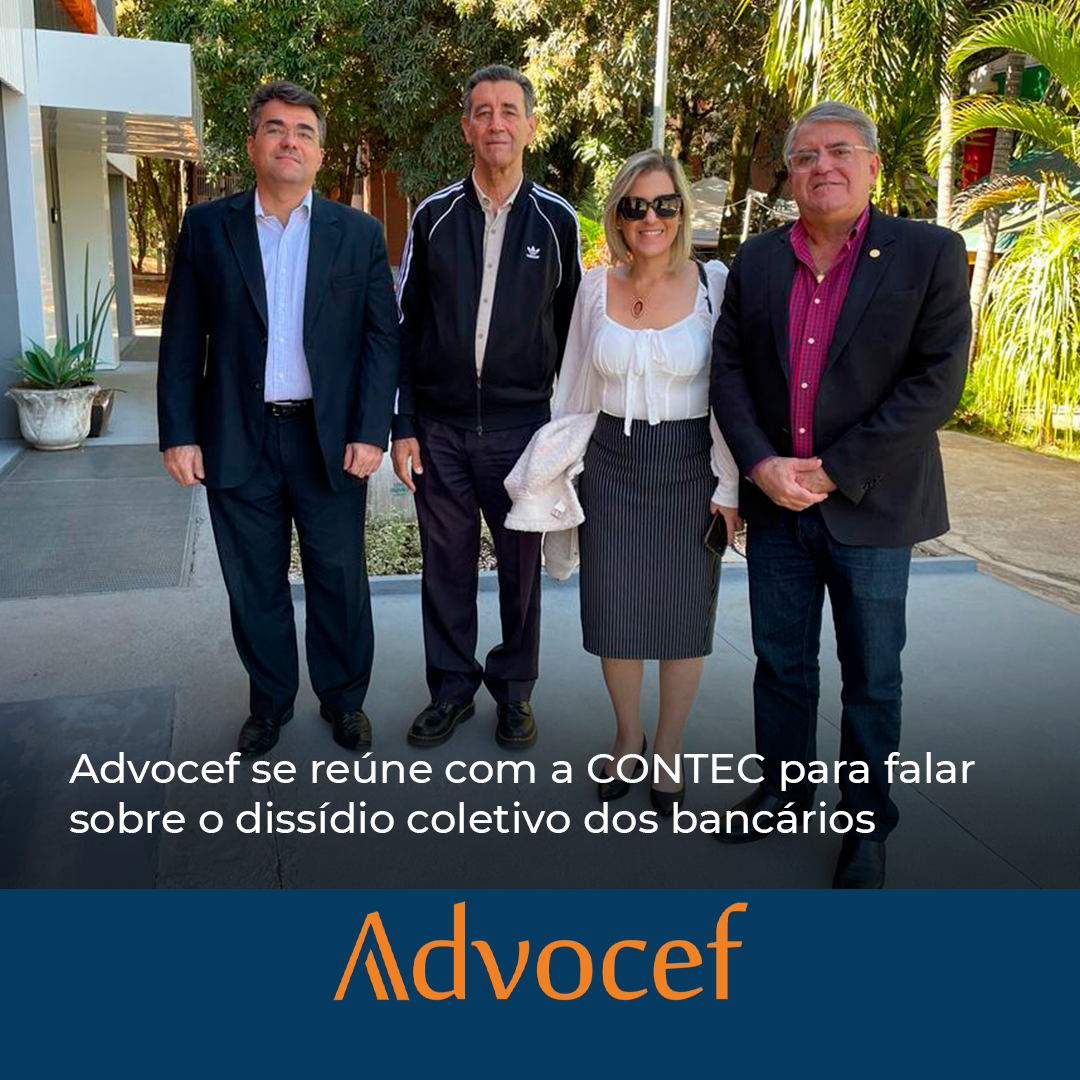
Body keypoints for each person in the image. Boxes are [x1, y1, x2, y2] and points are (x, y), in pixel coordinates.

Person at [711, 101, 970, 887]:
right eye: (806, 156)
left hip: (872, 504)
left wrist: (831, 470)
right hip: (777, 504)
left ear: (873, 166)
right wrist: (761, 465)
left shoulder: (928, 252)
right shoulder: (757, 261)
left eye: (841, 151)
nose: (822, 165)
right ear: (789, 174)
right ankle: (784, 794)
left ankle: (866, 825)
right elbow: (728, 372)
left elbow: (936, 384)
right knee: (780, 664)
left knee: (872, 676)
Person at [157, 81, 399, 757]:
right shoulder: (208, 228)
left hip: (329, 441)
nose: (289, 141)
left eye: (303, 132)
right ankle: (269, 703)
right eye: (275, 128)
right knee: (254, 584)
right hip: (239, 437)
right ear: (252, 144)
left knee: (338, 580)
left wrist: (370, 430)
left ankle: (344, 700)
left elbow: (382, 341)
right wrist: (179, 434)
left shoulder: (358, 234)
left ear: (320, 153)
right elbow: (182, 338)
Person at [392, 64, 582, 750]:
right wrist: (403, 425)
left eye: (509, 110)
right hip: (439, 431)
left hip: (522, 434)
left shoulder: (557, 221)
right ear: (467, 127)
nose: (496, 122)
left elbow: (574, 333)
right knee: (443, 569)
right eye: (483, 111)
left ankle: (514, 691)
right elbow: (404, 327)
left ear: (531, 126)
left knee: (520, 575)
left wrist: (566, 435)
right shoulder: (433, 216)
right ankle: (451, 690)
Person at [547, 149, 740, 815]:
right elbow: (574, 387)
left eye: (664, 204)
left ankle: (669, 747)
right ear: (619, 216)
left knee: (684, 615)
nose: (650, 217)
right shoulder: (593, 287)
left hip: (690, 468)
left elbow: (731, 395)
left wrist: (730, 485)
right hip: (608, 467)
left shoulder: (715, 283)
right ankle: (627, 735)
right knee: (614, 609)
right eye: (635, 205)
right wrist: (559, 474)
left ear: (682, 211)